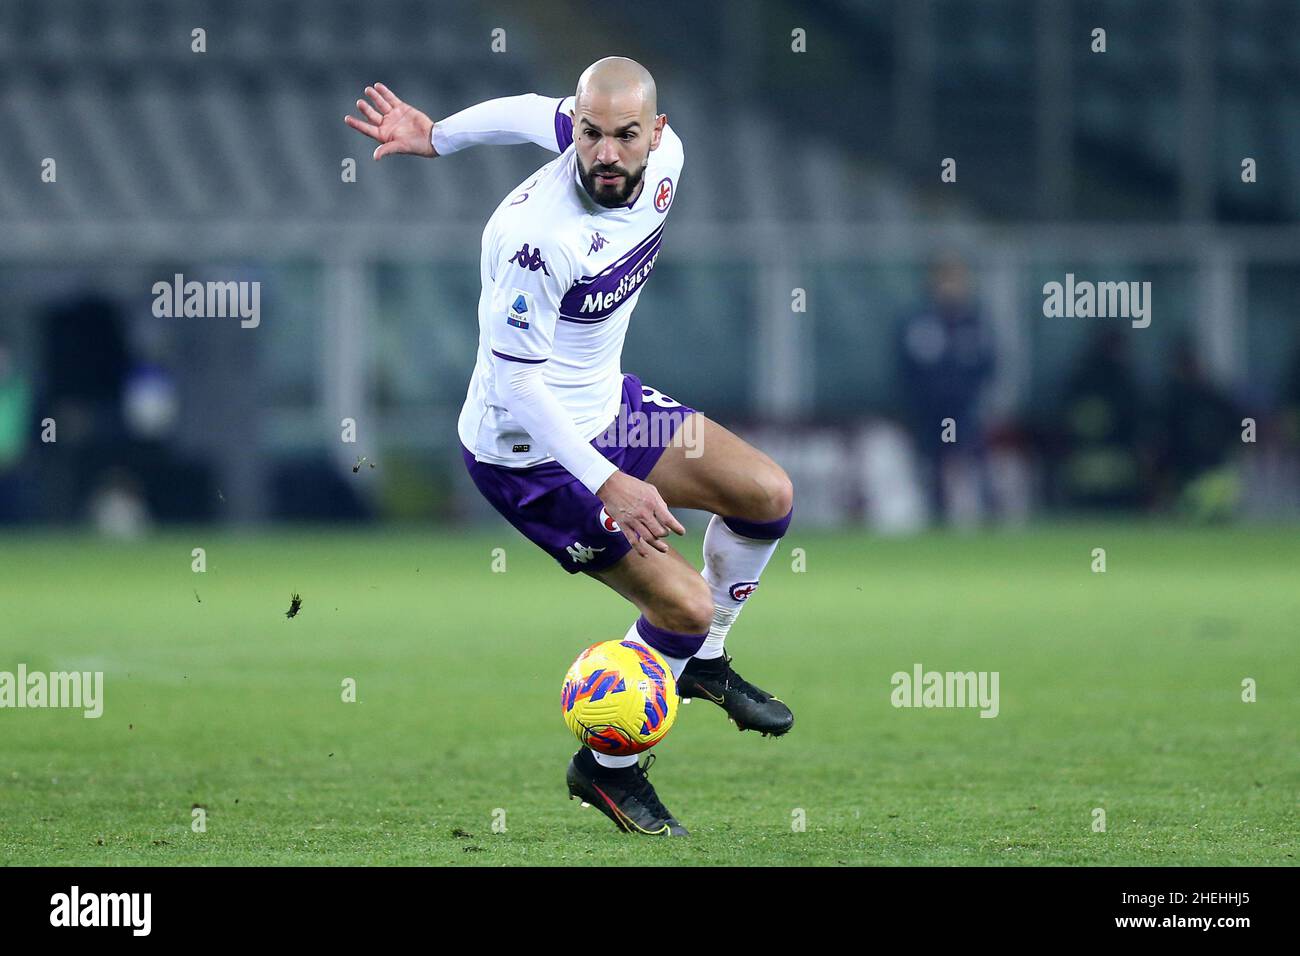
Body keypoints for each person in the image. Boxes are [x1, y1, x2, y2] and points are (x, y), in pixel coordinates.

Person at [345, 58, 794, 836]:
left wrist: (438, 136)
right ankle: (605, 770)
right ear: (577, 130)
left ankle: (704, 660)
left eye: (625, 135)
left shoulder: (665, 161)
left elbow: (526, 108)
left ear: (657, 133)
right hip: (532, 457)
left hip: (612, 410)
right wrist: (608, 481)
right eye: (590, 134)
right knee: (682, 604)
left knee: (766, 495)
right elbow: (519, 388)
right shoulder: (533, 243)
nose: (606, 154)